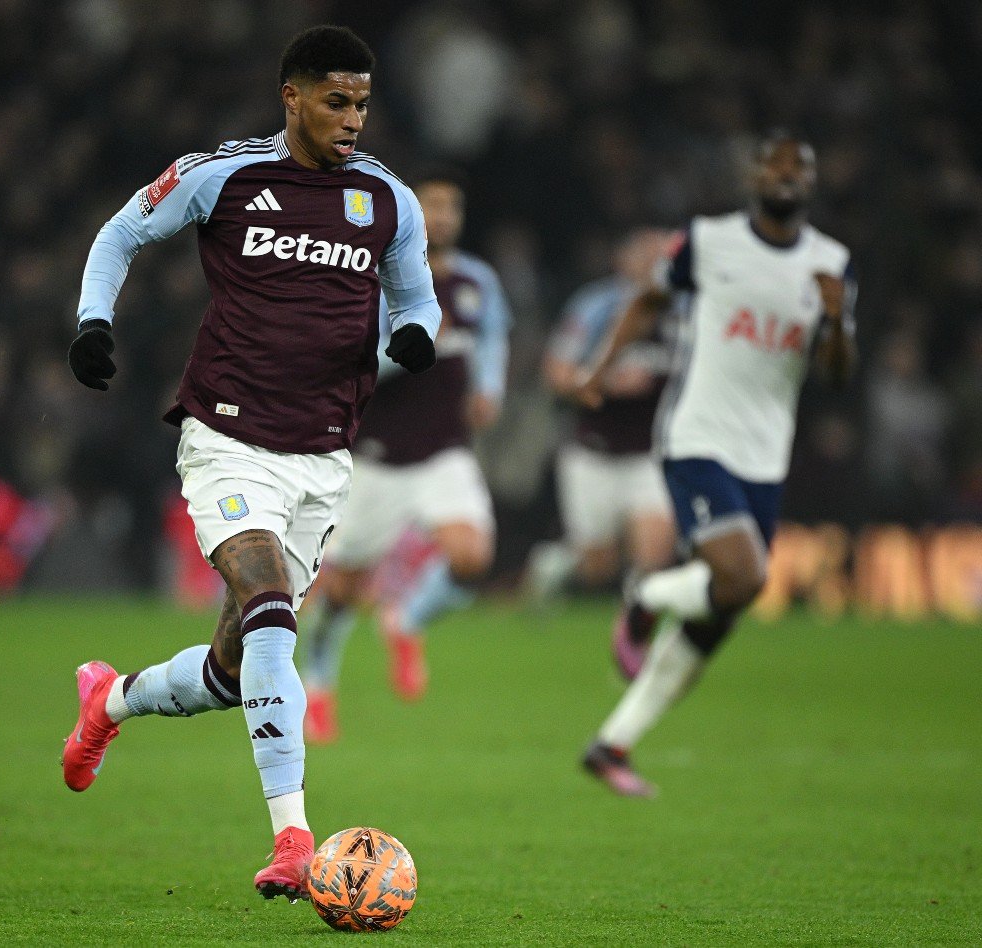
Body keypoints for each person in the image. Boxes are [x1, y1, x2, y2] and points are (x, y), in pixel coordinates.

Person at [60, 25, 441, 901]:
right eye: (336, 102)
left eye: (363, 104)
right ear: (292, 97)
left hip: (324, 457)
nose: (353, 120)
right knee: (271, 610)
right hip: (228, 438)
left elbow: (417, 297)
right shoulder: (224, 175)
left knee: (234, 671)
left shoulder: (387, 199)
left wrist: (416, 335)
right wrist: (93, 322)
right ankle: (294, 841)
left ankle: (109, 701)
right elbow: (120, 233)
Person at [577, 131, 857, 797]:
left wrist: (838, 322)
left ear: (811, 182)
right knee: (743, 574)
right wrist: (601, 366)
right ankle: (645, 596)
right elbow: (648, 300)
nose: (785, 175)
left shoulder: (831, 263)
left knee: (725, 606)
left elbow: (838, 375)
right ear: (753, 176)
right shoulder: (708, 240)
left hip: (766, 455)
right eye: (773, 164)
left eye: (798, 166)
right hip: (697, 435)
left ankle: (612, 745)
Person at [299, 173, 510, 741]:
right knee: (343, 590)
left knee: (472, 556)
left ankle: (405, 619)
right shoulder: (374, 277)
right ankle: (318, 685)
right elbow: (350, 362)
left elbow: (492, 335)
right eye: (431, 207)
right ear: (408, 214)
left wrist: (489, 386)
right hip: (378, 456)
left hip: (445, 450)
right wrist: (411, 349)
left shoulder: (476, 280)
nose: (442, 217)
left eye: (451, 207)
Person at [528, 230, 677, 617]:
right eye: (644, 254)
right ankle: (555, 564)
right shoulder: (596, 305)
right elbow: (555, 372)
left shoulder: (683, 308)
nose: (654, 263)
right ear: (622, 259)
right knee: (598, 566)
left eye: (661, 255)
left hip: (650, 452)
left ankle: (633, 627)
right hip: (594, 450)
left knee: (654, 554)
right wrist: (606, 382)